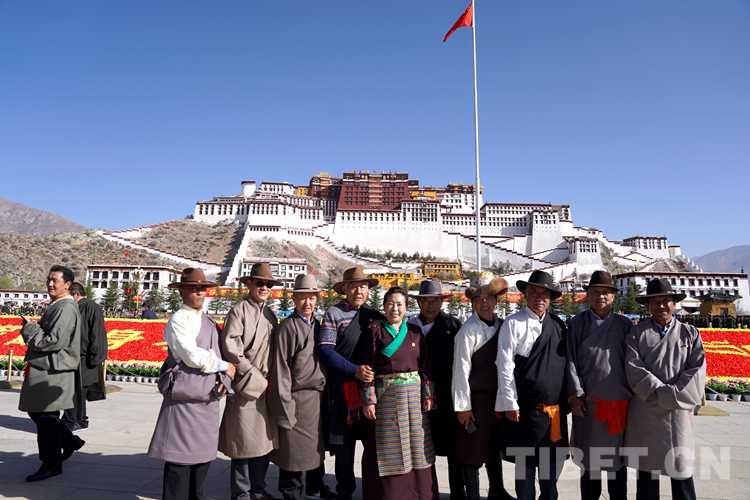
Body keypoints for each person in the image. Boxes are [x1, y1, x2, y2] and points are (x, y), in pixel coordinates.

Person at [148, 267, 236, 500]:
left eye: (202, 288)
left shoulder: (206, 320)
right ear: (182, 292)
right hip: (184, 400)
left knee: (202, 458)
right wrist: (224, 367)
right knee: (179, 461)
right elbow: (191, 356)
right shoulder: (178, 320)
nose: (199, 292)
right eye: (193, 288)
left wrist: (224, 377)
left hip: (207, 399)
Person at [624, 278, 706, 500]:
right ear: (647, 305)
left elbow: (697, 368)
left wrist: (672, 392)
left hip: (677, 409)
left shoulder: (690, 333)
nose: (661, 305)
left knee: (681, 468)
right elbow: (633, 366)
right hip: (646, 410)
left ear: (674, 303)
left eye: (665, 300)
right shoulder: (636, 333)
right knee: (647, 470)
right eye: (655, 301)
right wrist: (658, 389)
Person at [496, 270, 569, 500]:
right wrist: (510, 403)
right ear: (525, 294)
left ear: (550, 298)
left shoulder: (557, 324)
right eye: (534, 292)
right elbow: (504, 366)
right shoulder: (513, 323)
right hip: (525, 411)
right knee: (525, 470)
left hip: (554, 413)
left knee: (550, 472)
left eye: (544, 293)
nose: (539, 297)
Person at [359, 286, 438, 500]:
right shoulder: (374, 331)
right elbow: (367, 366)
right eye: (391, 304)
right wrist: (368, 400)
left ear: (406, 307)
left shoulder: (415, 331)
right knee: (388, 446)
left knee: (418, 446)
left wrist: (428, 395)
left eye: (399, 304)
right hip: (386, 398)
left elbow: (426, 366)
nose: (395, 308)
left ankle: (421, 494)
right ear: (384, 306)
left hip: (414, 399)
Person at [267, 274, 337, 500]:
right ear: (294, 299)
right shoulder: (288, 327)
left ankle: (315, 487)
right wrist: (285, 405)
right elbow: (281, 369)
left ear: (317, 299)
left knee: (315, 447)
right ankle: (291, 493)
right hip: (296, 398)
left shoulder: (318, 325)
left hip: (317, 398)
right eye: (302, 298)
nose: (307, 303)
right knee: (293, 450)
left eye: (312, 298)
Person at [318, 267, 384, 500]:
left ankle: (373, 491)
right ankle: (344, 492)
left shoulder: (374, 316)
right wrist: (354, 370)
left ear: (368, 290)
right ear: (344, 289)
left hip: (368, 390)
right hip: (342, 388)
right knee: (344, 447)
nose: (358, 291)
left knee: (372, 444)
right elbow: (325, 350)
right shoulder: (334, 313)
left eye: (363, 286)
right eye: (353, 286)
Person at [566, 271, 632, 500]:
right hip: (588, 404)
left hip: (618, 404)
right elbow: (571, 361)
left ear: (613, 296)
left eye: (605, 292)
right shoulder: (577, 323)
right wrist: (574, 395)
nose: (600, 296)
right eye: (595, 292)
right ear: (588, 295)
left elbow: (633, 363)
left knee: (617, 464)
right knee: (590, 462)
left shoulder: (625, 324)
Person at [220, 263, 281, 500]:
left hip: (267, 385)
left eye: (268, 284)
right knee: (243, 446)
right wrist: (256, 378)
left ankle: (258, 490)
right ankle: (241, 494)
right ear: (249, 284)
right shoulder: (239, 310)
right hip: (247, 386)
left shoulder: (269, 313)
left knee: (263, 444)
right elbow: (232, 349)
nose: (265, 288)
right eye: (260, 283)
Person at [19, 265, 85, 482]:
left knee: (45, 417)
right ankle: (70, 441)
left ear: (67, 284)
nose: (50, 284)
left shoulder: (66, 307)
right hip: (49, 367)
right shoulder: (58, 305)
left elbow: (53, 341)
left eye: (55, 280)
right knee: (39, 413)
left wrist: (30, 329)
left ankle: (51, 464)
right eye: (49, 279)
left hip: (53, 369)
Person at [452, 273, 512, 500]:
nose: (484, 303)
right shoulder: (468, 330)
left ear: (496, 301)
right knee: (472, 450)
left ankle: (497, 490)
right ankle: (474, 496)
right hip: (475, 402)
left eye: (488, 298)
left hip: (496, 400)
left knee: (493, 447)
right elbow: (460, 369)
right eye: (479, 299)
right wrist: (463, 407)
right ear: (472, 303)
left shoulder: (503, 326)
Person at [407, 280, 465, 500]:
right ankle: (422, 490)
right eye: (426, 301)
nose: (430, 305)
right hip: (416, 395)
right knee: (419, 443)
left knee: (453, 445)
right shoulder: (409, 327)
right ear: (419, 303)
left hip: (446, 395)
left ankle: (457, 489)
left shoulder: (453, 325)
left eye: (435, 300)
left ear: (441, 302)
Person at [62, 282, 108, 432]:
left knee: (77, 391)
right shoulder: (73, 307)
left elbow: (97, 334)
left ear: (76, 294)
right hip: (73, 356)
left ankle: (73, 421)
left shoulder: (91, 307)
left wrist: (94, 358)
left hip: (86, 357)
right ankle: (79, 420)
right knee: (76, 390)